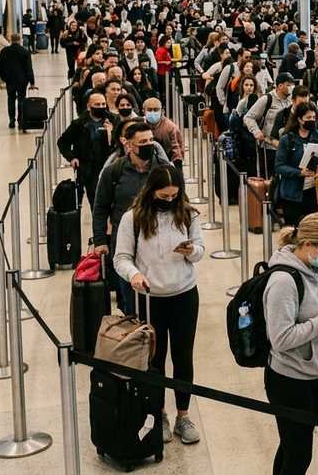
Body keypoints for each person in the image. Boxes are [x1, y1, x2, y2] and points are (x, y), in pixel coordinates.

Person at [113, 164, 205, 445]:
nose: (169, 201)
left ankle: (183, 415)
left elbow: (200, 249)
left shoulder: (187, 213)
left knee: (183, 355)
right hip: (149, 298)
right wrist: (135, 274)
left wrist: (192, 251)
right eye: (163, 196)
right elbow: (121, 259)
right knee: (154, 359)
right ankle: (160, 413)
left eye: (173, 196)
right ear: (151, 191)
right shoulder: (133, 218)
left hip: (184, 294)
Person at [262, 213, 318, 475]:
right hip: (289, 379)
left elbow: (316, 314)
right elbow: (281, 339)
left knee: (292, 447)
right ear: (308, 244)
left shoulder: (316, 267)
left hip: (314, 373)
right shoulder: (283, 282)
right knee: (299, 454)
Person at [93, 120, 170, 313]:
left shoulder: (164, 170)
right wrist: (100, 240)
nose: (148, 145)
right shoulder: (113, 172)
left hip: (159, 245)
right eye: (142, 142)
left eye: (151, 140)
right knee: (130, 303)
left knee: (158, 304)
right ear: (128, 144)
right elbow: (100, 208)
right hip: (126, 245)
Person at [57, 92, 119, 206]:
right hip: (88, 170)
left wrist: (111, 134)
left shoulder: (113, 120)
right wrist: (72, 157)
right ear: (89, 107)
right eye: (97, 104)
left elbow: (120, 143)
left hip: (110, 166)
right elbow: (63, 142)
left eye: (103, 104)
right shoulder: (79, 123)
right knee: (95, 202)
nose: (101, 107)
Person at [274, 102, 318, 226]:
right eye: (308, 118)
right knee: (293, 229)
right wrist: (299, 173)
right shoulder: (287, 139)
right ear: (299, 119)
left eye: (314, 118)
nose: (312, 120)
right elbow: (279, 166)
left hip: (313, 190)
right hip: (292, 193)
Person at [0, 34, 36, 131]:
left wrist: (4, 77)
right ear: (20, 40)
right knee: (22, 99)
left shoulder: (5, 51)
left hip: (10, 80)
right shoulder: (25, 52)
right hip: (22, 80)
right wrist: (32, 82)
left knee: (11, 99)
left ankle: (11, 120)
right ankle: (21, 120)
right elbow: (29, 68)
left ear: (11, 40)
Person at [142, 98, 185, 172]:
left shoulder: (171, 128)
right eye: (149, 110)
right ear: (143, 111)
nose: (153, 112)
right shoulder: (139, 125)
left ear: (162, 111)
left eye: (156, 110)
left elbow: (177, 152)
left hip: (165, 162)